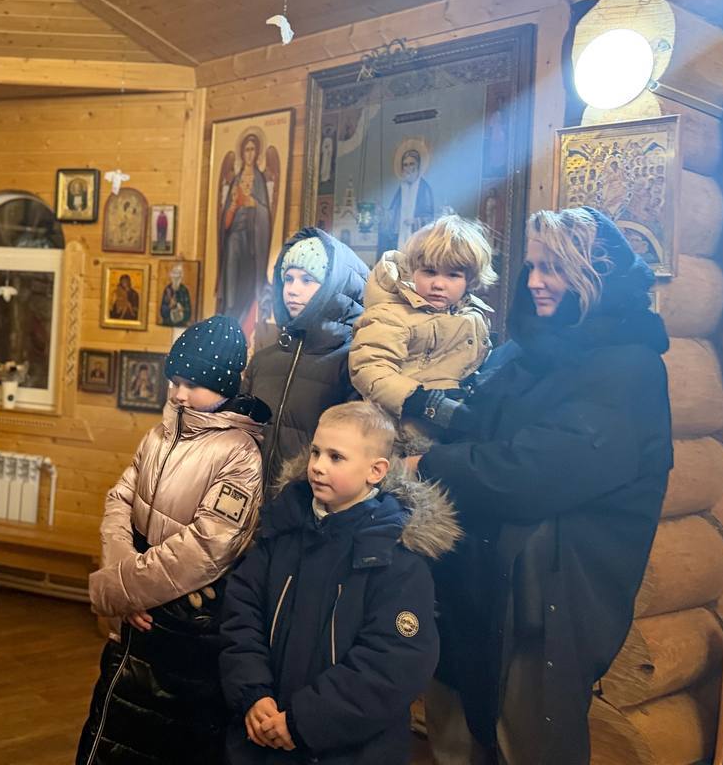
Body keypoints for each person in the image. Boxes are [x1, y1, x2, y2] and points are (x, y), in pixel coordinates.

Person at [413, 206, 672, 765]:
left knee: (526, 743)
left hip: (544, 604)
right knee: (458, 738)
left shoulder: (628, 367)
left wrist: (430, 465)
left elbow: (535, 471)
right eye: (531, 266)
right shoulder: (527, 353)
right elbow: (477, 422)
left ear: (594, 273)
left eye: (552, 267)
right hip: (478, 584)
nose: (534, 281)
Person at [77, 316, 270, 765]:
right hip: (138, 612)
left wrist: (126, 590)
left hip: (184, 624)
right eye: (175, 381)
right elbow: (120, 499)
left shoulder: (239, 453)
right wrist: (124, 582)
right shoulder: (159, 435)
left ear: (224, 385)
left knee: (165, 740)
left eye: (193, 385)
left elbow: (207, 547)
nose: (180, 394)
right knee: (111, 728)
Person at [219, 401, 457, 765]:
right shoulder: (283, 527)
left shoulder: (399, 559)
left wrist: (303, 721)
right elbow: (241, 612)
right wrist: (253, 692)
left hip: (348, 750)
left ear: (376, 471)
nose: (317, 466)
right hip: (262, 732)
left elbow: (393, 663)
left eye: (336, 457)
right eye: (316, 452)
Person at [349, 215, 495, 454]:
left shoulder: (474, 317)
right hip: (400, 434)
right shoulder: (391, 314)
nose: (439, 284)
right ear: (413, 271)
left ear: (469, 280)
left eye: (453, 275)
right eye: (429, 272)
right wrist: (422, 401)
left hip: (453, 432)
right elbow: (370, 369)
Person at [242, 226, 369, 497]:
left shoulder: (352, 362)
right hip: (250, 503)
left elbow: (354, 451)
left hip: (310, 507)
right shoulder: (263, 360)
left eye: (307, 280)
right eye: (288, 279)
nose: (293, 290)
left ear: (334, 287)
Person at [216, 133, 274, 333]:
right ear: (242, 152)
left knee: (246, 284)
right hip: (235, 237)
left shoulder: (258, 179)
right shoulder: (236, 180)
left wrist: (252, 203)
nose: (249, 154)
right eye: (246, 150)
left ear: (257, 152)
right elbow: (225, 221)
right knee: (231, 280)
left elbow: (265, 213)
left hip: (252, 242)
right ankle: (229, 314)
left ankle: (241, 321)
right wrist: (233, 206)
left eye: (252, 149)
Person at [381, 148, 435, 253]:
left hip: (417, 238)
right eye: (405, 165)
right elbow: (393, 213)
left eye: (411, 164)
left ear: (418, 166)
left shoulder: (424, 188)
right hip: (400, 237)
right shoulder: (402, 188)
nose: (408, 168)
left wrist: (415, 221)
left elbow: (430, 218)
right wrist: (383, 212)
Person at [159, 261, 193, 327]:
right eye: (174, 273)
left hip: (181, 326)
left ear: (181, 276)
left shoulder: (184, 290)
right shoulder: (167, 290)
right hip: (167, 325)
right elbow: (162, 312)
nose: (176, 276)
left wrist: (181, 309)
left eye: (179, 273)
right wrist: (170, 307)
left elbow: (188, 313)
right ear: (171, 275)